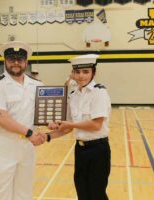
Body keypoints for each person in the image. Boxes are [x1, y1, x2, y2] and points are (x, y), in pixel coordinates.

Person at [0, 41, 46, 200]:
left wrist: (51, 123)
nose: (16, 63)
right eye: (12, 59)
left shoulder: (36, 84)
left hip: (26, 145)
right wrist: (30, 133)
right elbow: (0, 118)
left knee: (24, 190)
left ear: (26, 62)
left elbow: (41, 113)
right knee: (2, 191)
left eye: (20, 59)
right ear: (5, 61)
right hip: (5, 144)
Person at [46, 54, 111, 200]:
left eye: (86, 72)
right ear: (73, 74)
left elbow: (96, 124)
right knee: (82, 191)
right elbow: (67, 127)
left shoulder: (99, 92)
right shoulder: (74, 95)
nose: (81, 76)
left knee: (97, 194)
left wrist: (71, 124)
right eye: (77, 72)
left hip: (98, 150)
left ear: (94, 72)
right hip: (80, 150)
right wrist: (48, 135)